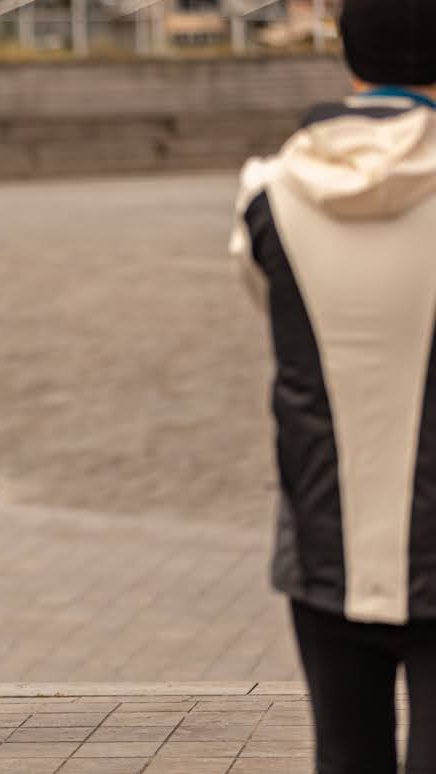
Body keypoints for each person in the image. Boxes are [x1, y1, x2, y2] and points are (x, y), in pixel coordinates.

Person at [230, 2, 436, 771]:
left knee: (346, 754)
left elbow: (262, 297)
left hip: (323, 531)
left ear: (349, 56)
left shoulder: (268, 188)